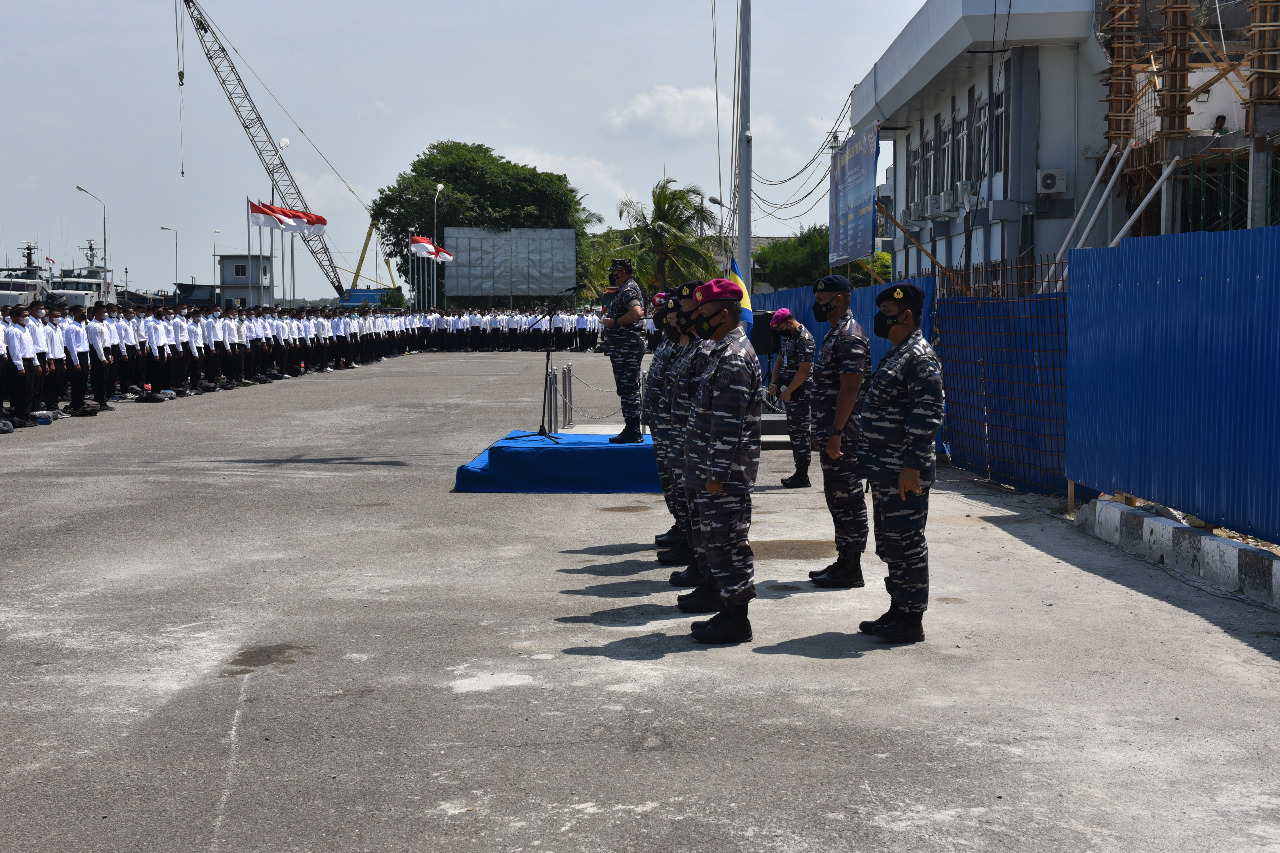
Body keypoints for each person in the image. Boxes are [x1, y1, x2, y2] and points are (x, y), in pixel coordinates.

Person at [855, 284, 945, 644]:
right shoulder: (898, 353)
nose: (880, 317)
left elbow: (927, 417)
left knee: (907, 543)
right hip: (885, 468)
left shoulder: (919, 357)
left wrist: (912, 466)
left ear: (905, 315)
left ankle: (911, 619)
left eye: (886, 311)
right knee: (892, 542)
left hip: (903, 471)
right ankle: (898, 607)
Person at [680, 278, 762, 643]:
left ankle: (737, 620)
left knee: (728, 542)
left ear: (725, 314)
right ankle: (727, 611)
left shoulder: (733, 358)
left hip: (724, 474)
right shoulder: (719, 351)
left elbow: (727, 423)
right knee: (716, 543)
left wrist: (716, 472)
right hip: (711, 470)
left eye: (705, 313)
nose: (698, 319)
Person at [808, 274, 871, 589]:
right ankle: (844, 560)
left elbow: (850, 389)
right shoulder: (835, 333)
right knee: (837, 497)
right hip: (833, 431)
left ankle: (852, 567)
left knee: (848, 497)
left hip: (844, 434)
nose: (817, 307)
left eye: (822, 301)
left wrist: (835, 432)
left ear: (840, 299)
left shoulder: (849, 336)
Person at [767, 308, 815, 488]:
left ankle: (803, 475)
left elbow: (804, 370)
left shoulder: (804, 338)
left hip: (800, 394)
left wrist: (788, 392)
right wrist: (773, 381)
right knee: (794, 432)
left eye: (781, 328)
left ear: (789, 322)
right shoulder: (789, 338)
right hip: (789, 392)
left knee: (801, 433)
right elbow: (780, 360)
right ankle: (799, 471)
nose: (780, 332)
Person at [601, 258, 647, 443]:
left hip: (627, 347)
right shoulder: (626, 289)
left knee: (628, 389)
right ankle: (631, 428)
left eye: (615, 273)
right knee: (627, 388)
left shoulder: (628, 289)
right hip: (623, 347)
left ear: (624, 272)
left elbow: (636, 312)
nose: (613, 276)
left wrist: (616, 322)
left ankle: (633, 431)